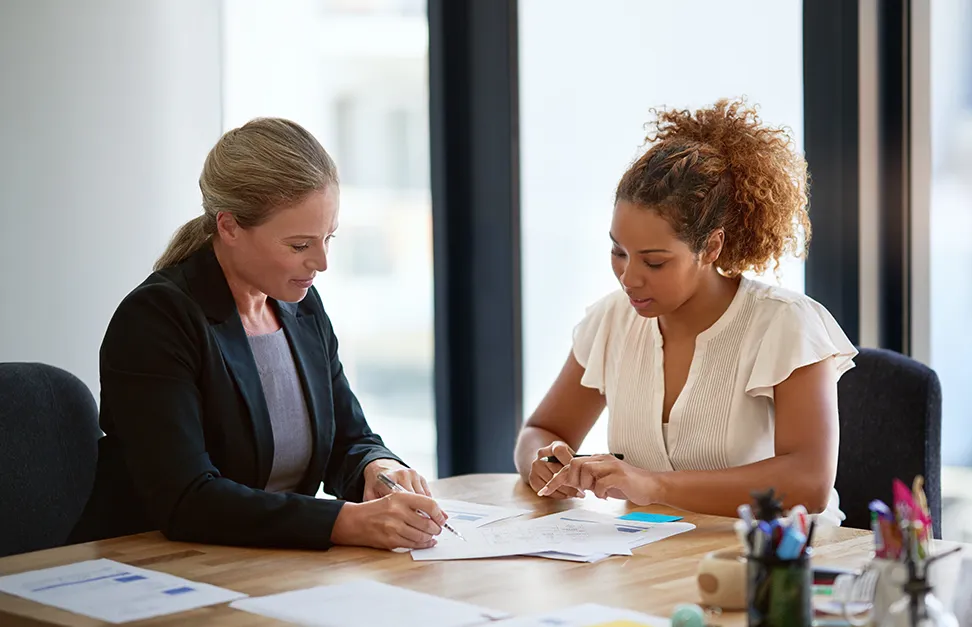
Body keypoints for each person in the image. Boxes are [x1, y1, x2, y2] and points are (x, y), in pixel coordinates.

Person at [69, 118, 446, 551]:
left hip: (265, 567)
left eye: (329, 238)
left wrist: (378, 468)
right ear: (228, 227)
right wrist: (344, 523)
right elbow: (188, 500)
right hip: (154, 572)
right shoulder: (156, 320)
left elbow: (348, 439)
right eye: (300, 245)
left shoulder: (300, 307)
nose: (321, 263)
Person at [514, 99, 857, 520]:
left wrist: (652, 485)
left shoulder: (786, 325)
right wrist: (546, 462)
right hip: (651, 564)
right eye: (618, 252)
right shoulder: (611, 321)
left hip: (773, 566)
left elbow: (809, 483)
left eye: (654, 261)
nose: (629, 278)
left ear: (711, 247)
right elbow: (540, 431)